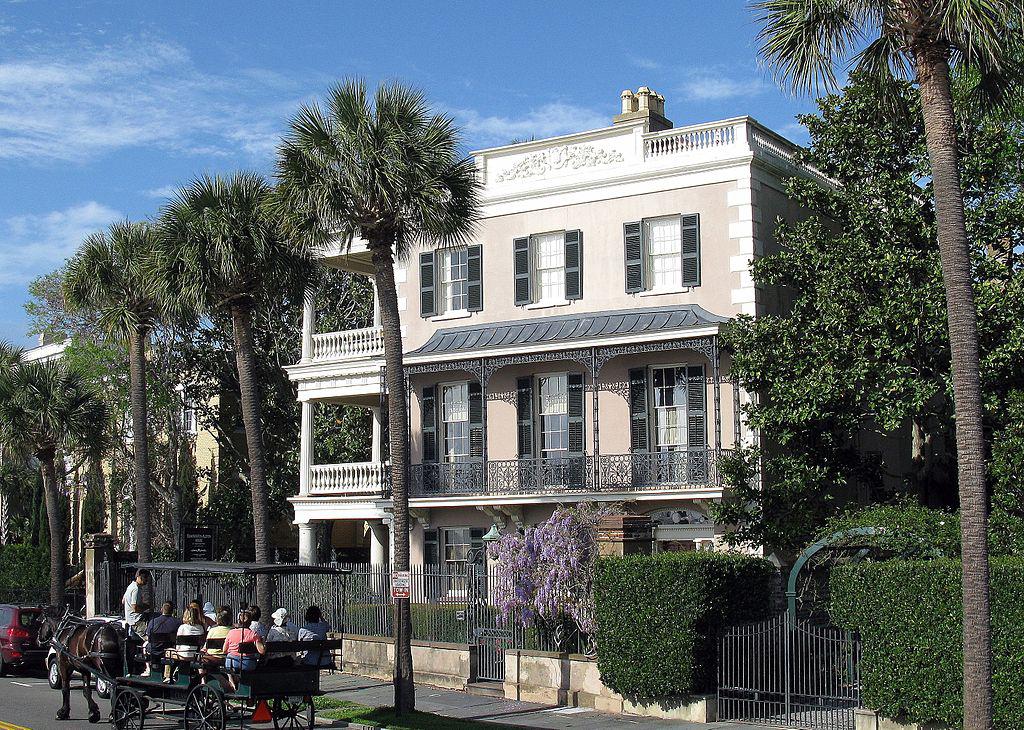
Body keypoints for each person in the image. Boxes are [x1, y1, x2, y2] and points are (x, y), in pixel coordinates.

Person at [165, 607, 205, 683]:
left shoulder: (182, 627)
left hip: (182, 654)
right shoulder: (200, 628)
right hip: (195, 655)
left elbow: (178, 645)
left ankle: (168, 676)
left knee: (168, 651)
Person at [142, 602, 181, 678]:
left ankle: (148, 669)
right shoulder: (177, 622)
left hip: (154, 648)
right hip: (169, 649)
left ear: (161, 610)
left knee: (144, 644)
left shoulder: (153, 622)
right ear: (172, 611)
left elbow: (148, 635)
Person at [223, 610, 264, 679]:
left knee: (229, 657)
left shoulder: (231, 632)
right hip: (248, 664)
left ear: (239, 621)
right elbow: (262, 651)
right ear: (250, 622)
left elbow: (224, 650)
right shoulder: (253, 634)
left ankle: (231, 680)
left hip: (232, 663)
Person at [122, 569, 151, 636]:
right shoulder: (136, 589)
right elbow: (135, 608)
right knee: (150, 638)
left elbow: (123, 601)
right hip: (137, 621)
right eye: (145, 578)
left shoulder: (130, 586)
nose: (146, 580)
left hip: (130, 619)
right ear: (139, 577)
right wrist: (146, 607)